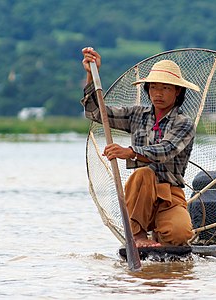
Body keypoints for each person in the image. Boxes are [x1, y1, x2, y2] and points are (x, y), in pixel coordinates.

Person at [80, 47, 200, 247]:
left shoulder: (183, 123)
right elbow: (95, 113)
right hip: (141, 195)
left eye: (165, 88)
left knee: (179, 235)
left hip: (170, 194)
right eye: (153, 87)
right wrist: (91, 74)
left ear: (177, 91)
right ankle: (137, 235)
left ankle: (160, 234)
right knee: (144, 174)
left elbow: (166, 150)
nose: (158, 94)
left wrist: (130, 152)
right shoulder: (137, 114)